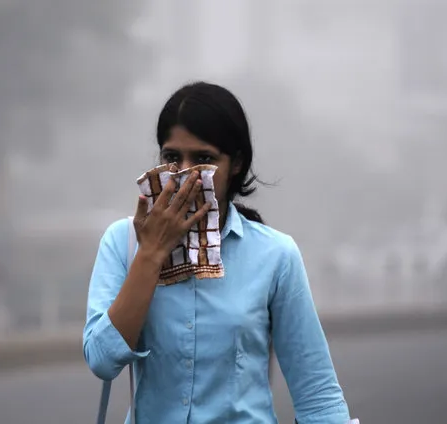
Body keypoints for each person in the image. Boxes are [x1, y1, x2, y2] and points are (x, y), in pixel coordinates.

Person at [83, 81, 352, 423]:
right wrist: (150, 255)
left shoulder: (275, 255)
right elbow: (102, 360)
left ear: (236, 163)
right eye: (172, 158)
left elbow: (317, 393)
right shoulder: (123, 242)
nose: (185, 174)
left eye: (204, 159)